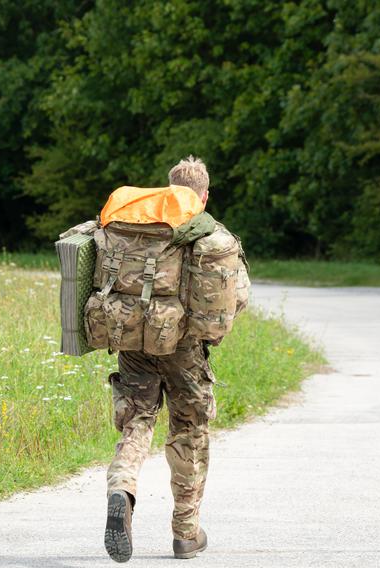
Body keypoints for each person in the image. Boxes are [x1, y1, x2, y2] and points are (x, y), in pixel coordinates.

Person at [91, 156, 249, 562]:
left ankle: (121, 489)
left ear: (168, 186)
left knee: (137, 421)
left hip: (131, 341)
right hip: (185, 350)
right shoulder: (207, 232)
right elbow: (237, 297)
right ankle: (186, 532)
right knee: (189, 432)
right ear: (204, 193)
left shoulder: (135, 224)